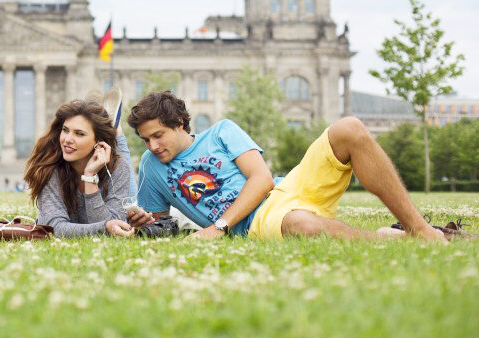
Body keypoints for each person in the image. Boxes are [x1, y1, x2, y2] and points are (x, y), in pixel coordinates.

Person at [126, 91, 446, 242]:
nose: (153, 147)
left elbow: (262, 179)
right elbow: (163, 226)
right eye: (145, 140)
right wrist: (145, 222)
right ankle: (394, 239)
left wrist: (218, 227)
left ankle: (420, 229)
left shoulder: (222, 131)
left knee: (349, 129)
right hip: (257, 223)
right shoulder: (152, 169)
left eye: (158, 136)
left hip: (285, 187)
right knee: (301, 226)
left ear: (179, 123)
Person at [24, 97, 153, 238]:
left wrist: (90, 177)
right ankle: (116, 130)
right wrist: (106, 227)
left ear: (98, 141)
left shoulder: (119, 167)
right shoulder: (49, 167)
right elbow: (54, 227)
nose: (67, 139)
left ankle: (117, 133)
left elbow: (114, 226)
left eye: (79, 134)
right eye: (65, 130)